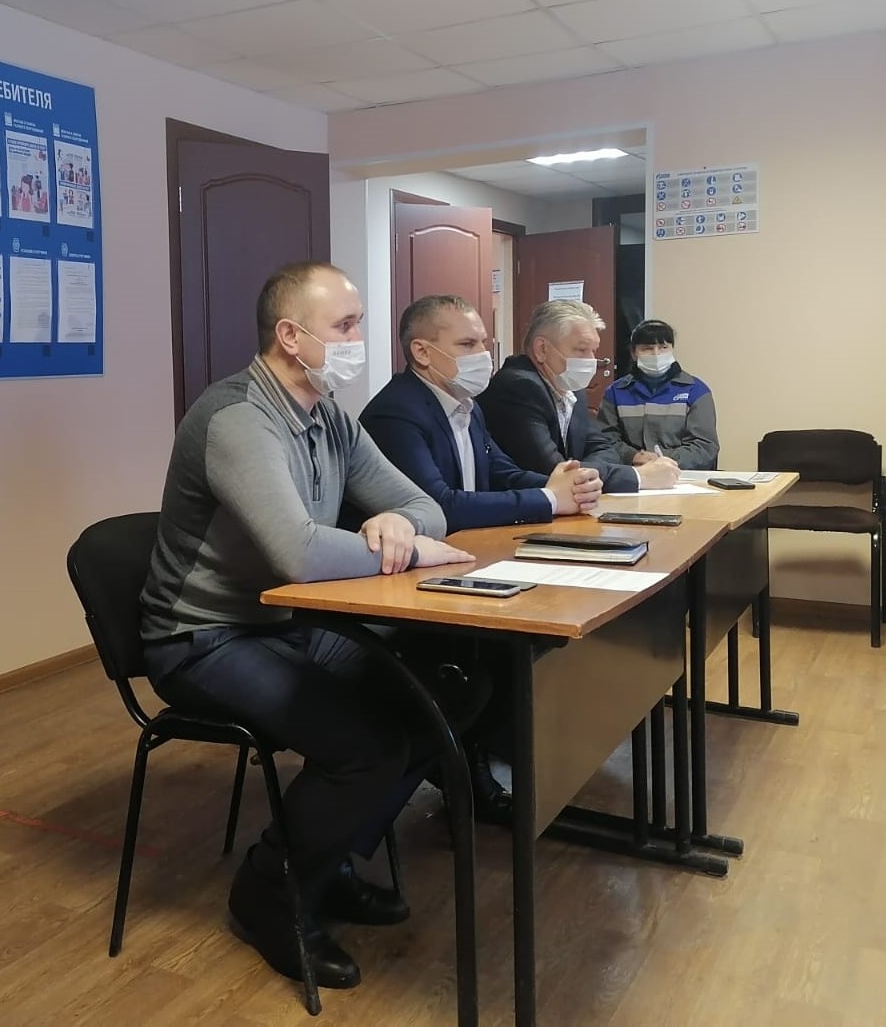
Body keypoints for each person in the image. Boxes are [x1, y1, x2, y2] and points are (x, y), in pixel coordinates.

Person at [140, 261, 475, 990]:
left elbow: (428, 506)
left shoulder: (328, 415)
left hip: (285, 622)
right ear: (290, 336)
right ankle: (267, 895)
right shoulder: (237, 417)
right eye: (345, 326)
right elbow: (296, 552)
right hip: (202, 637)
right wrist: (409, 548)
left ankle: (325, 863)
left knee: (437, 697)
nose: (358, 340)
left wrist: (399, 523)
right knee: (364, 747)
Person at [359, 293, 602, 825]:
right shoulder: (397, 412)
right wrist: (548, 500)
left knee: (539, 641)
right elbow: (439, 506)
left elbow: (499, 472)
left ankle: (483, 766)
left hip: (461, 564)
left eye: (484, 343)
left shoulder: (466, 406)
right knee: (492, 662)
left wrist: (563, 487)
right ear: (422, 352)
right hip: (400, 584)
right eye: (467, 344)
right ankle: (461, 771)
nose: (484, 356)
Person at [477, 299, 681, 492]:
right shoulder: (518, 387)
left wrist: (583, 470)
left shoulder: (571, 388)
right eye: (581, 350)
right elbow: (554, 473)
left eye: (593, 351)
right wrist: (638, 476)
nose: (591, 360)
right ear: (542, 349)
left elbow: (604, 449)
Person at [597, 318, 719, 470]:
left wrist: (663, 460)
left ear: (672, 350)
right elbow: (605, 439)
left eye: (663, 347)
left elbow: (705, 445)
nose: (656, 354)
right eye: (647, 348)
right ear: (634, 353)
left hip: (681, 474)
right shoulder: (615, 392)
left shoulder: (696, 390)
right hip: (631, 472)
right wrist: (633, 456)